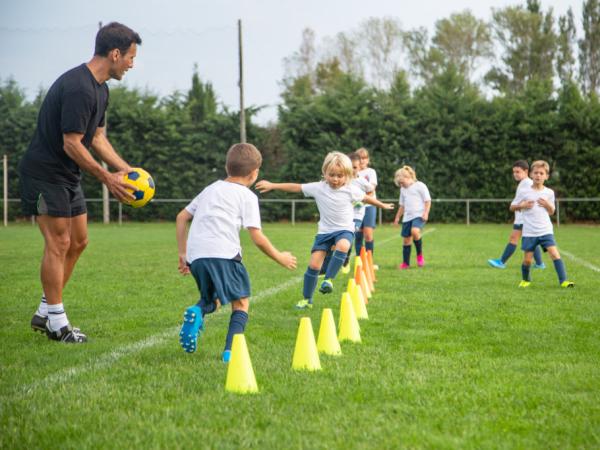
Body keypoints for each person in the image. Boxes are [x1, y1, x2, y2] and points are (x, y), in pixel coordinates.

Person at [19, 22, 142, 343]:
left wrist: (127, 171)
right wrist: (106, 179)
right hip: (45, 173)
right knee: (58, 243)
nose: (132, 63)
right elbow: (71, 143)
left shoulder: (101, 90)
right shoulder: (79, 87)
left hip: (67, 175)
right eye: (130, 56)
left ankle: (45, 310)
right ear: (115, 54)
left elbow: (97, 139)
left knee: (79, 241)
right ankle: (57, 324)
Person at [176, 143, 297, 362]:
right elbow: (257, 237)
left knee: (214, 298)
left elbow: (181, 217)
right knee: (241, 302)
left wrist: (183, 254)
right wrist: (280, 256)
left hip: (197, 257)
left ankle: (196, 310)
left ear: (226, 166)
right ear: (255, 173)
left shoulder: (210, 189)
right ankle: (231, 352)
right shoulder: (247, 196)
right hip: (224, 254)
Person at [256, 151, 393, 310]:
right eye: (332, 175)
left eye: (340, 176)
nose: (335, 179)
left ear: (347, 175)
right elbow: (296, 187)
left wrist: (382, 205)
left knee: (343, 246)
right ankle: (307, 300)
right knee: (314, 266)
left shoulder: (350, 189)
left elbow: (366, 198)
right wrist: (273, 185)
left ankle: (328, 279)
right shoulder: (318, 187)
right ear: (325, 173)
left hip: (344, 230)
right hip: (324, 233)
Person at [510, 160, 574, 288]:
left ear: (546, 176)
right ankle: (526, 280)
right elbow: (512, 207)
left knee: (555, 254)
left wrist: (547, 205)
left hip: (545, 231)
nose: (538, 175)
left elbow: (552, 212)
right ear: (531, 175)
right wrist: (521, 205)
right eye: (536, 173)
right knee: (527, 260)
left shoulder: (549, 193)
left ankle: (564, 281)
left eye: (541, 173)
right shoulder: (524, 192)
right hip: (529, 232)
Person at [488, 160, 545, 269]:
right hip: (523, 218)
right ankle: (539, 264)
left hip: (523, 219)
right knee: (531, 241)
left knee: (514, 238)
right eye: (514, 172)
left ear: (526, 171)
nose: (515, 174)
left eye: (518, 172)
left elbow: (532, 199)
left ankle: (501, 262)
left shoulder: (527, 183)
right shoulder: (524, 183)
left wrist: (522, 206)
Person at [393, 166, 431, 269]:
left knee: (415, 231)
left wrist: (426, 213)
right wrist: (397, 217)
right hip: (407, 218)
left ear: (408, 177)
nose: (401, 185)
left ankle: (419, 255)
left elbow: (427, 200)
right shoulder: (403, 189)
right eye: (399, 183)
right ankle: (406, 263)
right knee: (406, 240)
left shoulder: (420, 186)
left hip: (419, 215)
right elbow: (402, 205)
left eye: (402, 182)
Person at [355, 147, 378, 260]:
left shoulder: (371, 172)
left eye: (364, 158)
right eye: (360, 158)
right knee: (358, 235)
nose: (362, 161)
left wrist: (364, 199)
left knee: (368, 234)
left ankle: (369, 261)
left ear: (368, 160)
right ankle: (359, 262)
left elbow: (372, 188)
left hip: (369, 206)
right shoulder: (353, 173)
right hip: (356, 207)